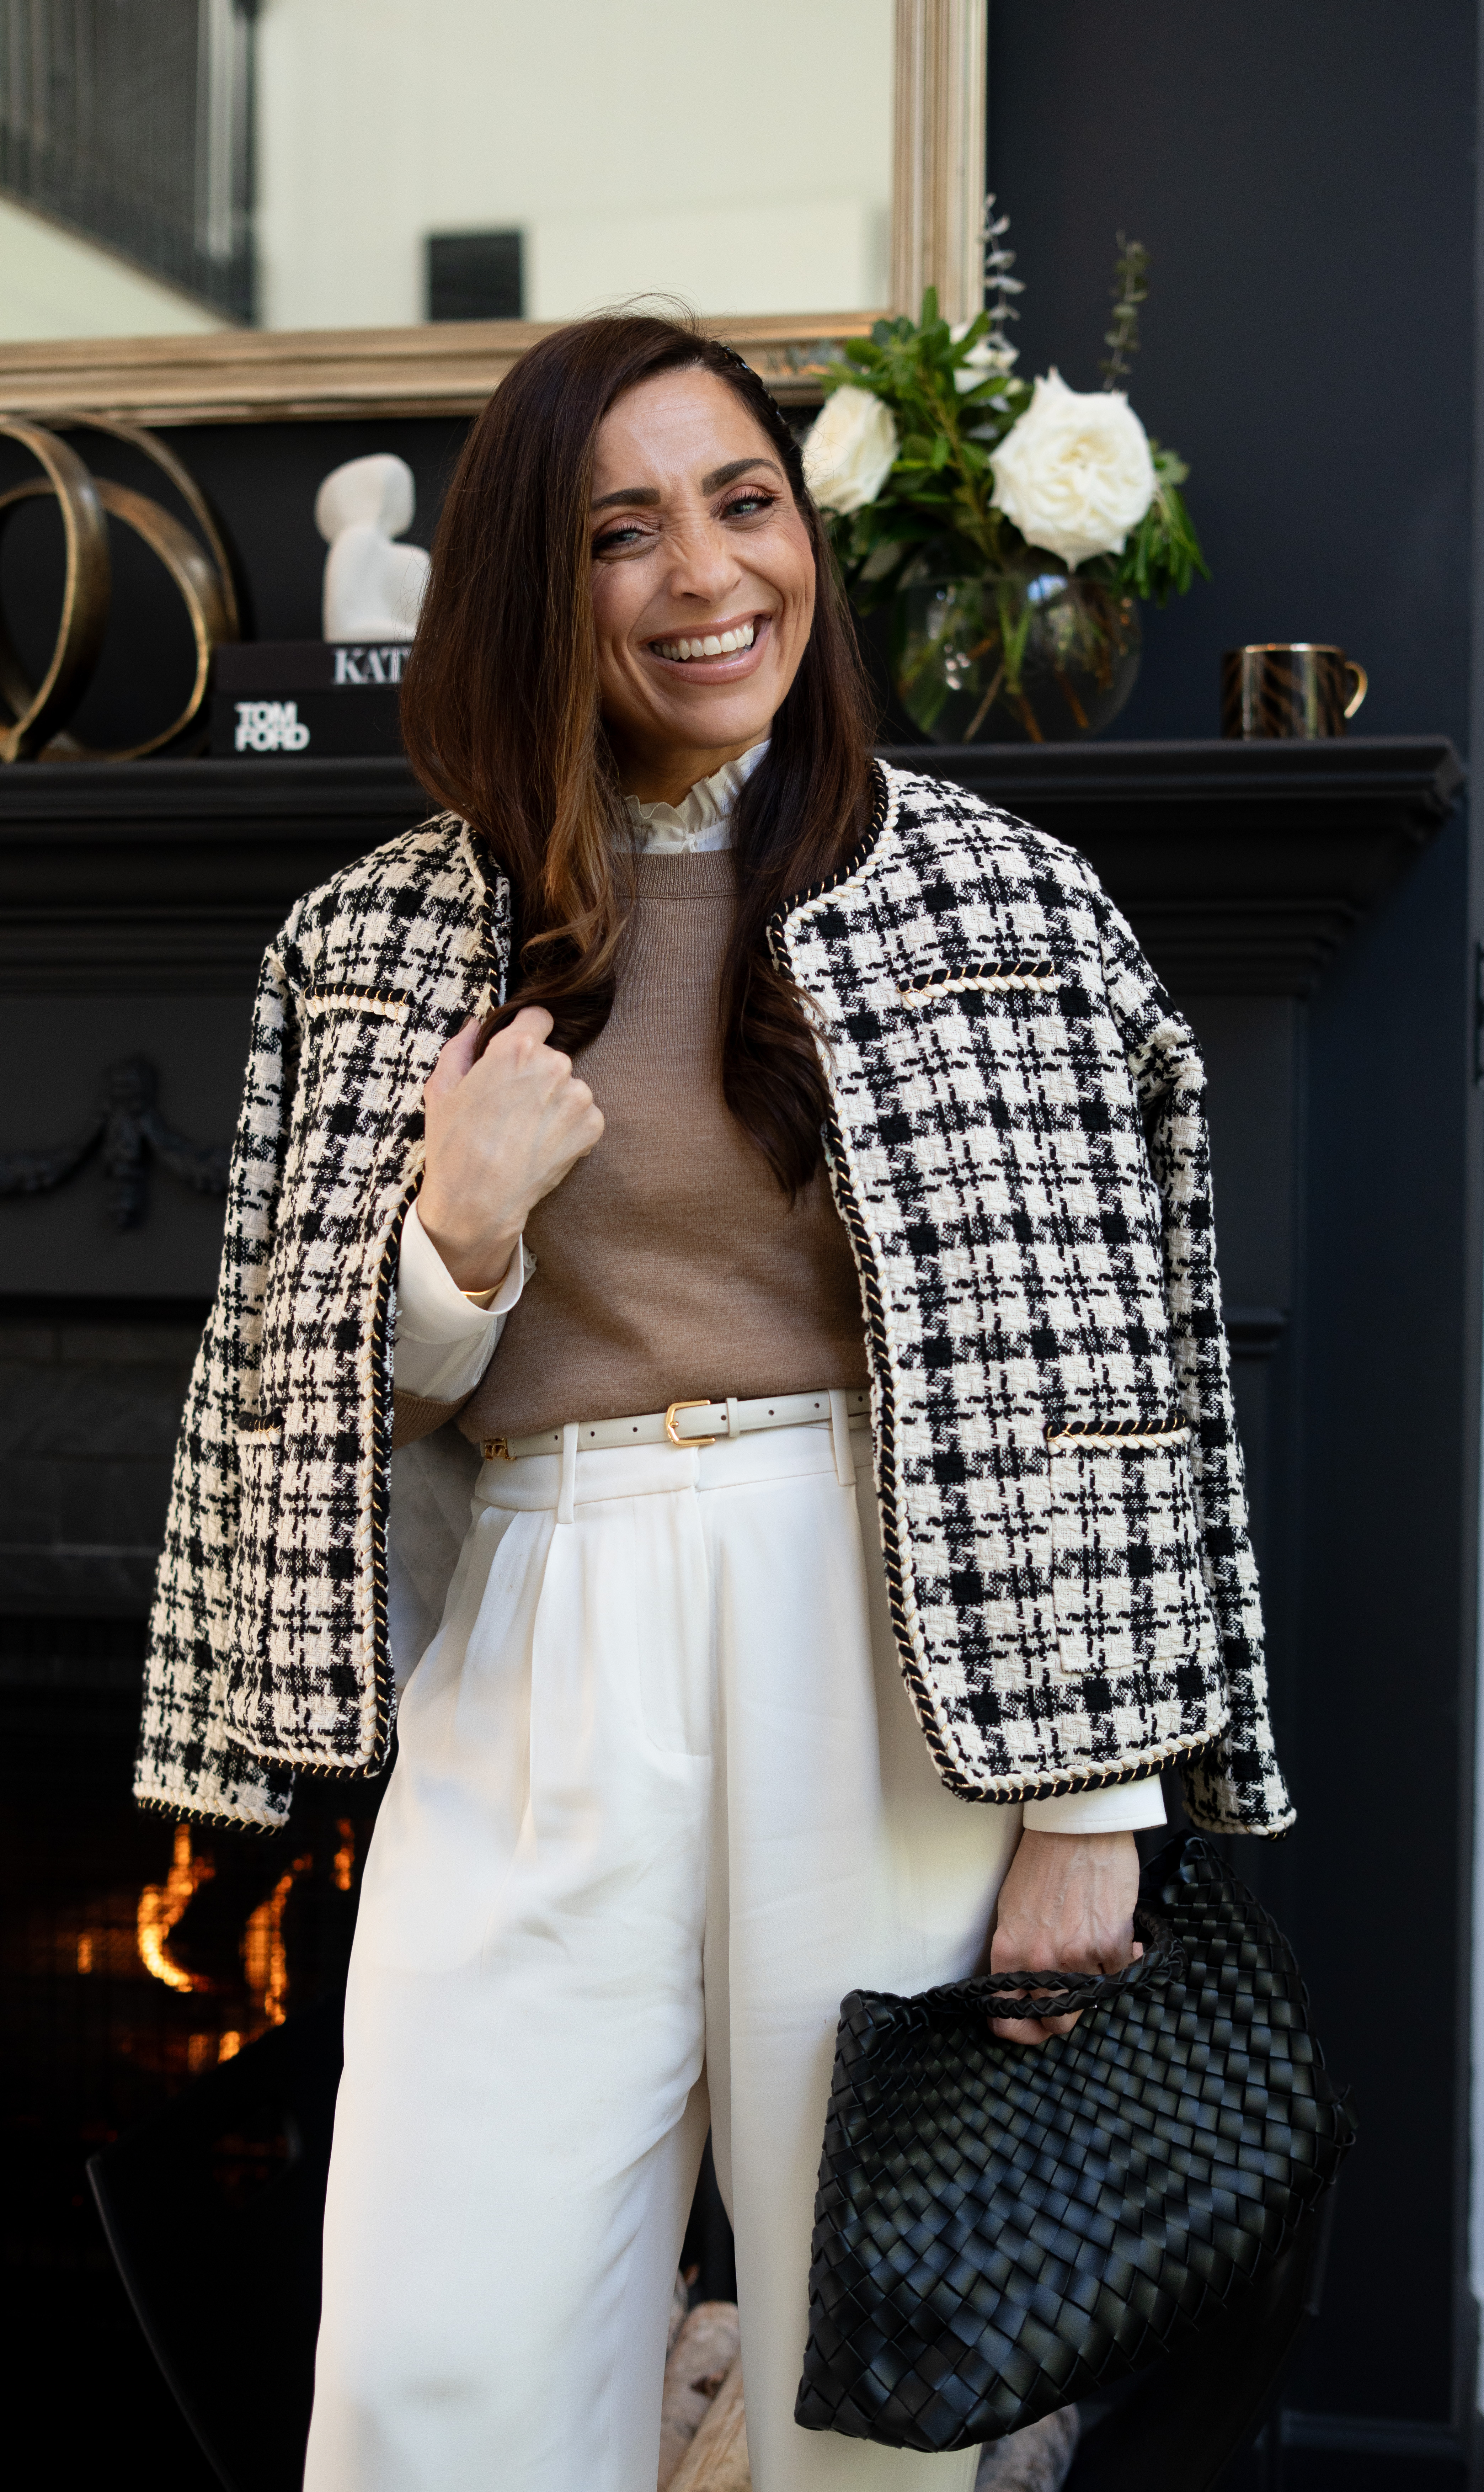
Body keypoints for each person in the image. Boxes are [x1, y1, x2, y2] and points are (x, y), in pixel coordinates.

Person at [136, 313, 1293, 2492]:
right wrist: (451, 1246)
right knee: (434, 2350)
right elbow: (293, 1413)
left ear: (805, 540)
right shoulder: (370, 940)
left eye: (744, 504)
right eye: (621, 532)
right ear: (527, 587)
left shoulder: (1003, 907)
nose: (705, 574)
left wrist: (1096, 1798)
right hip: (536, 1638)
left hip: (878, 1640)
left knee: (879, 2377)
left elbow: (1113, 1388)